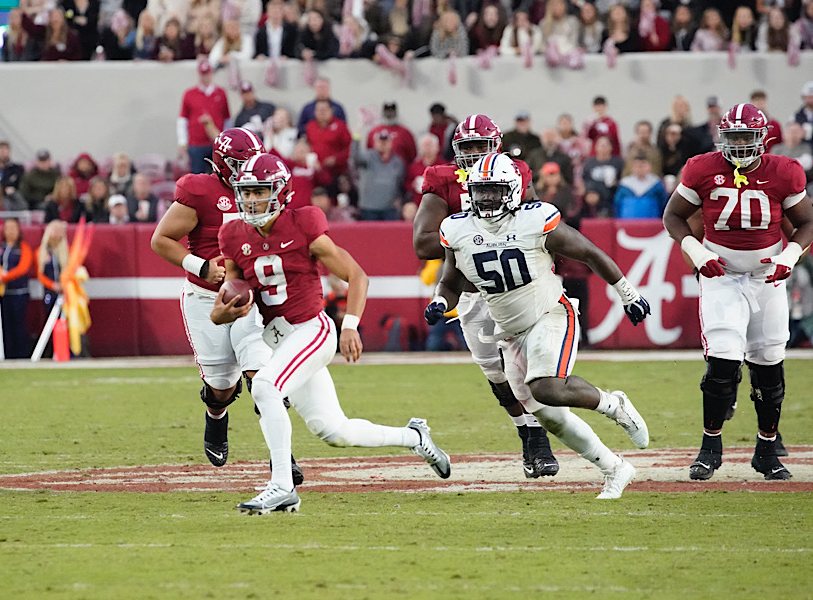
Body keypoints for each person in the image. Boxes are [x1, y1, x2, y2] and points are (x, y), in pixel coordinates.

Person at [215, 153, 451, 514]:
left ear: (281, 193)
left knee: (264, 386)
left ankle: (281, 486)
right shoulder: (232, 235)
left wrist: (350, 326)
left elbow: (357, 275)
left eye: (260, 192)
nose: (251, 200)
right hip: (280, 339)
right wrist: (224, 313)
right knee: (333, 430)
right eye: (246, 192)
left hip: (313, 328)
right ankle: (414, 436)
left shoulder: (304, 223)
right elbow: (223, 305)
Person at [428, 152, 651, 499]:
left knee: (546, 387)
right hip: (510, 332)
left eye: (495, 190)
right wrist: (440, 301)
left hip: (550, 314)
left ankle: (613, 405)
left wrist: (628, 293)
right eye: (481, 191)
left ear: (514, 190)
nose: (486, 198)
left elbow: (589, 252)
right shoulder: (457, 228)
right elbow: (451, 280)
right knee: (550, 417)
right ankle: (615, 468)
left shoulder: (535, 220)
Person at [662, 103, 812, 482]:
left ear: (764, 137)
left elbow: (807, 222)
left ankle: (766, 449)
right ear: (722, 137)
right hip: (722, 274)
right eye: (734, 136)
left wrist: (790, 254)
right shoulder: (702, 167)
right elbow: (673, 216)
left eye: (748, 136)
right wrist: (697, 252)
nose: (741, 143)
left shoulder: (785, 171)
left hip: (768, 277)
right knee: (723, 360)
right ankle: (710, 447)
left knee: (769, 363)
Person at [151, 128, 302, 483]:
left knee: (263, 380)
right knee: (221, 388)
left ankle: (282, 461)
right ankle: (216, 416)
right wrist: (202, 266)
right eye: (242, 164)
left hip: (252, 298)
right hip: (207, 298)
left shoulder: (263, 186)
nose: (251, 170)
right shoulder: (200, 191)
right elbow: (161, 239)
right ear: (223, 164)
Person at [412, 114, 560, 479]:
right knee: (494, 371)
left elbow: (539, 222)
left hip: (514, 285)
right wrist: (473, 238)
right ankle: (525, 431)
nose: (476, 153)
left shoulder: (517, 172)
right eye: (469, 147)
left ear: (496, 147)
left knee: (525, 367)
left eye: (482, 146)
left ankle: (540, 440)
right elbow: (421, 242)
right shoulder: (443, 180)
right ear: (457, 150)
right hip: (469, 285)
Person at [178, 61, 231, 175]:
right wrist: (182, 143)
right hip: (196, 143)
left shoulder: (220, 93)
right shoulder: (189, 94)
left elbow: (227, 119)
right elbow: (183, 120)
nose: (205, 77)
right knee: (197, 176)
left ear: (211, 74)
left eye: (207, 73)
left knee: (220, 175)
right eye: (203, 74)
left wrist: (226, 142)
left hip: (216, 143)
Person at [0, 218, 33, 359]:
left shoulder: (24, 248)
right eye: (8, 228)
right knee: (5, 325)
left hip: (19, 293)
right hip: (2, 293)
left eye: (13, 228)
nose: (10, 232)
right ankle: (6, 354)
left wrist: (3, 277)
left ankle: (21, 355)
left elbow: (22, 268)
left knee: (18, 324)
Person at [355, 130, 405, 221]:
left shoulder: (398, 161)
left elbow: (400, 182)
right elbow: (355, 158)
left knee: (390, 234)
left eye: (386, 141)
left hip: (390, 208)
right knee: (370, 234)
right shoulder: (367, 157)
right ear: (375, 143)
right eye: (380, 141)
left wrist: (399, 198)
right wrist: (356, 138)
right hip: (369, 207)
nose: (383, 144)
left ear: (391, 143)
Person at [305, 99, 352, 179]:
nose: (321, 112)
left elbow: (349, 147)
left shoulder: (340, 126)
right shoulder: (310, 126)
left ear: (331, 110)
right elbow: (306, 146)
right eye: (318, 110)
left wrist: (336, 159)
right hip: (315, 172)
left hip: (336, 172)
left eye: (324, 110)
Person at [613, 154, 668, 218]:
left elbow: (664, 204)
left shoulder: (656, 184)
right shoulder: (625, 185)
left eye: (644, 165)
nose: (640, 168)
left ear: (650, 167)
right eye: (637, 166)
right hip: (627, 223)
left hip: (652, 223)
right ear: (632, 168)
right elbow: (617, 205)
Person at [366, 101, 417, 167]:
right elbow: (368, 152)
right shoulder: (374, 132)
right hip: (376, 171)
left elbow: (412, 155)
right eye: (387, 111)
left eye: (392, 111)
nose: (389, 114)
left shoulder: (405, 133)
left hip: (399, 171)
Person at [37, 220, 68, 317]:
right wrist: (53, 285)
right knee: (50, 316)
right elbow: (40, 275)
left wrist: (64, 285)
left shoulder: (67, 251)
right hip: (49, 291)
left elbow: (71, 270)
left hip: (65, 291)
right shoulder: (41, 252)